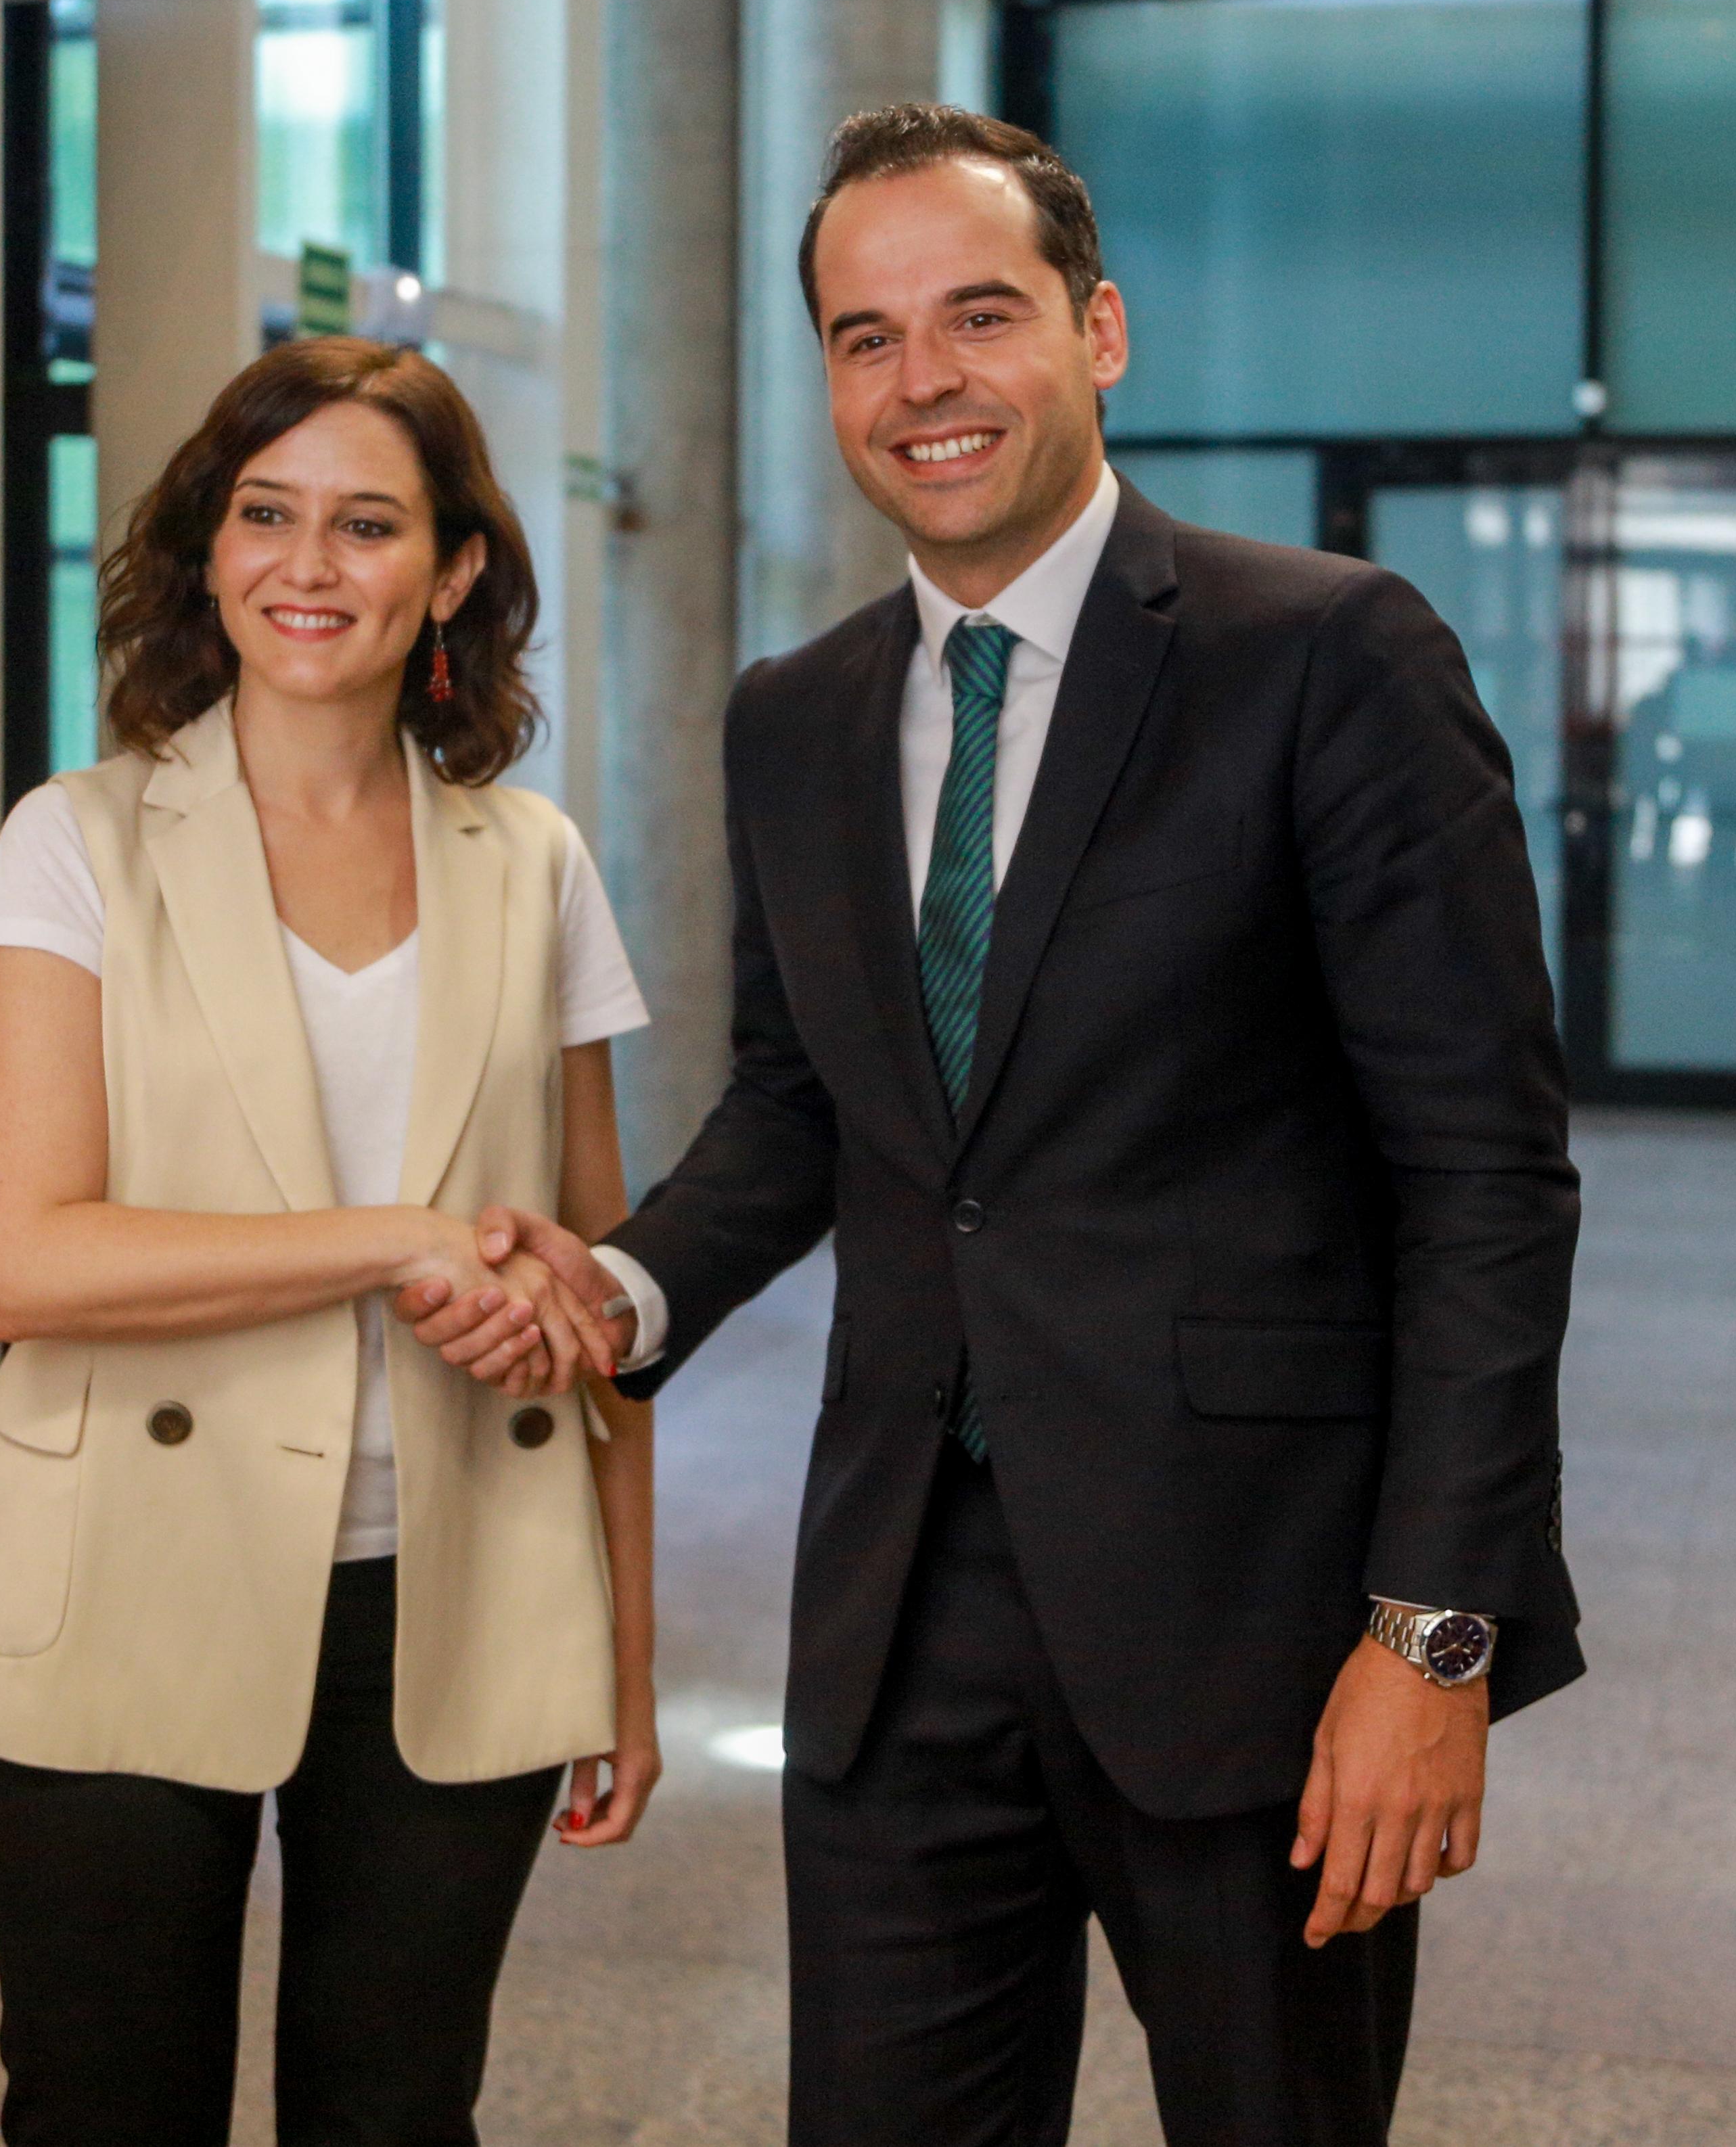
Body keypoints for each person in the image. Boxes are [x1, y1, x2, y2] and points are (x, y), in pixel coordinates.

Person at [403, 107, 1581, 2144]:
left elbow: (1482, 1176)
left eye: (979, 315)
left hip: (1257, 1619)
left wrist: (1437, 1637)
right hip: (899, 1610)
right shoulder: (799, 711)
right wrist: (617, 1285)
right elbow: (805, 1110)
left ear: (1099, 329)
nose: (922, 381)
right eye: (866, 338)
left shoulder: (1326, 658)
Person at [0, 336, 659, 2147]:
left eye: (364, 524)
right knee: (109, 2114)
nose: (307, 566)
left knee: (401, 2118)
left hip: (459, 1579)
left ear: (455, 570)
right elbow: (22, 1260)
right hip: (122, 1566)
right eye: (265, 515)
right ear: (208, 545)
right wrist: (393, 1238)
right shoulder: (77, 846)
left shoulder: (536, 862)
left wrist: (626, 1660)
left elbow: (601, 1286)